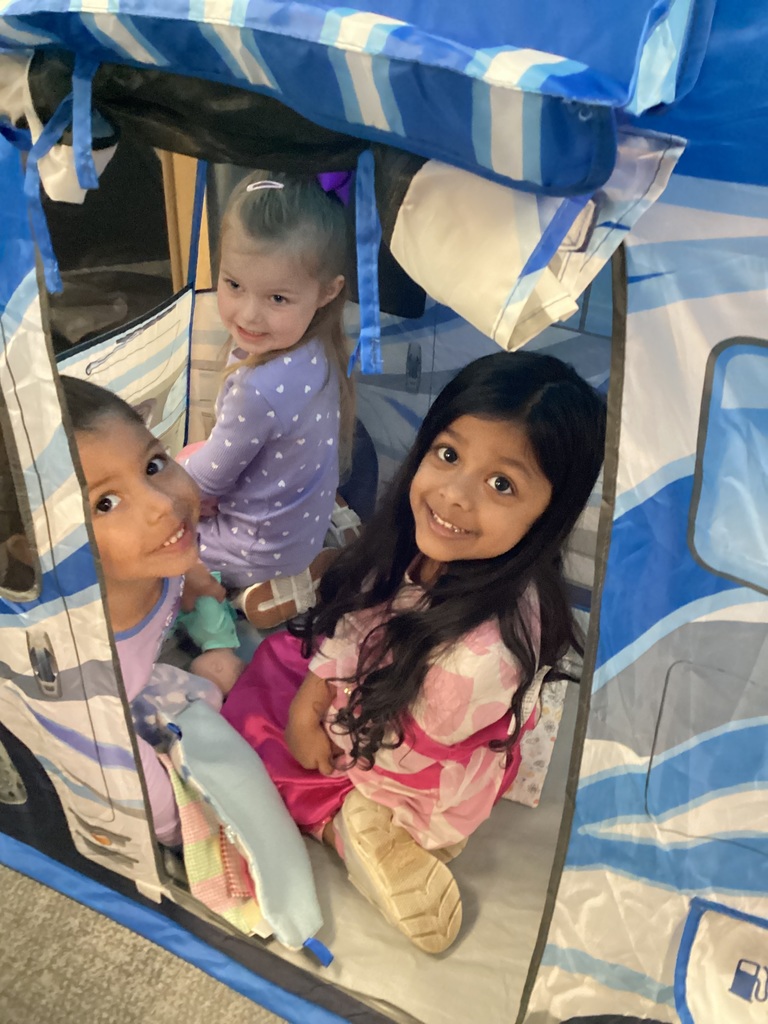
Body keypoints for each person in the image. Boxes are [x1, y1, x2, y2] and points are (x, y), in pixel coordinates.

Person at [223, 350, 606, 953]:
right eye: (449, 454)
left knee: (260, 746)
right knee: (287, 667)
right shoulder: (438, 550)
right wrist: (312, 692)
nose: (453, 495)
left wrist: (313, 721)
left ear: (549, 514)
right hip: (391, 692)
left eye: (501, 483)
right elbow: (360, 619)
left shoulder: (471, 664)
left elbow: (390, 742)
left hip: (403, 768)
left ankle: (359, 828)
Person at [59, 375, 241, 846]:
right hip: (111, 717)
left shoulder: (158, 552)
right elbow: (141, 791)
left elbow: (188, 567)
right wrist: (181, 832)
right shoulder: (84, 664)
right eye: (105, 503)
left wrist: (196, 577)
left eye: (155, 464)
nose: (162, 505)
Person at [180, 171, 354, 616]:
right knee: (195, 456)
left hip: (257, 549)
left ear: (327, 291)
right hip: (300, 528)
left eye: (277, 298)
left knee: (148, 539)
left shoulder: (258, 389)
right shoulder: (318, 344)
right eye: (233, 284)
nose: (248, 314)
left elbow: (205, 481)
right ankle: (307, 564)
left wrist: (169, 482)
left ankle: (254, 594)